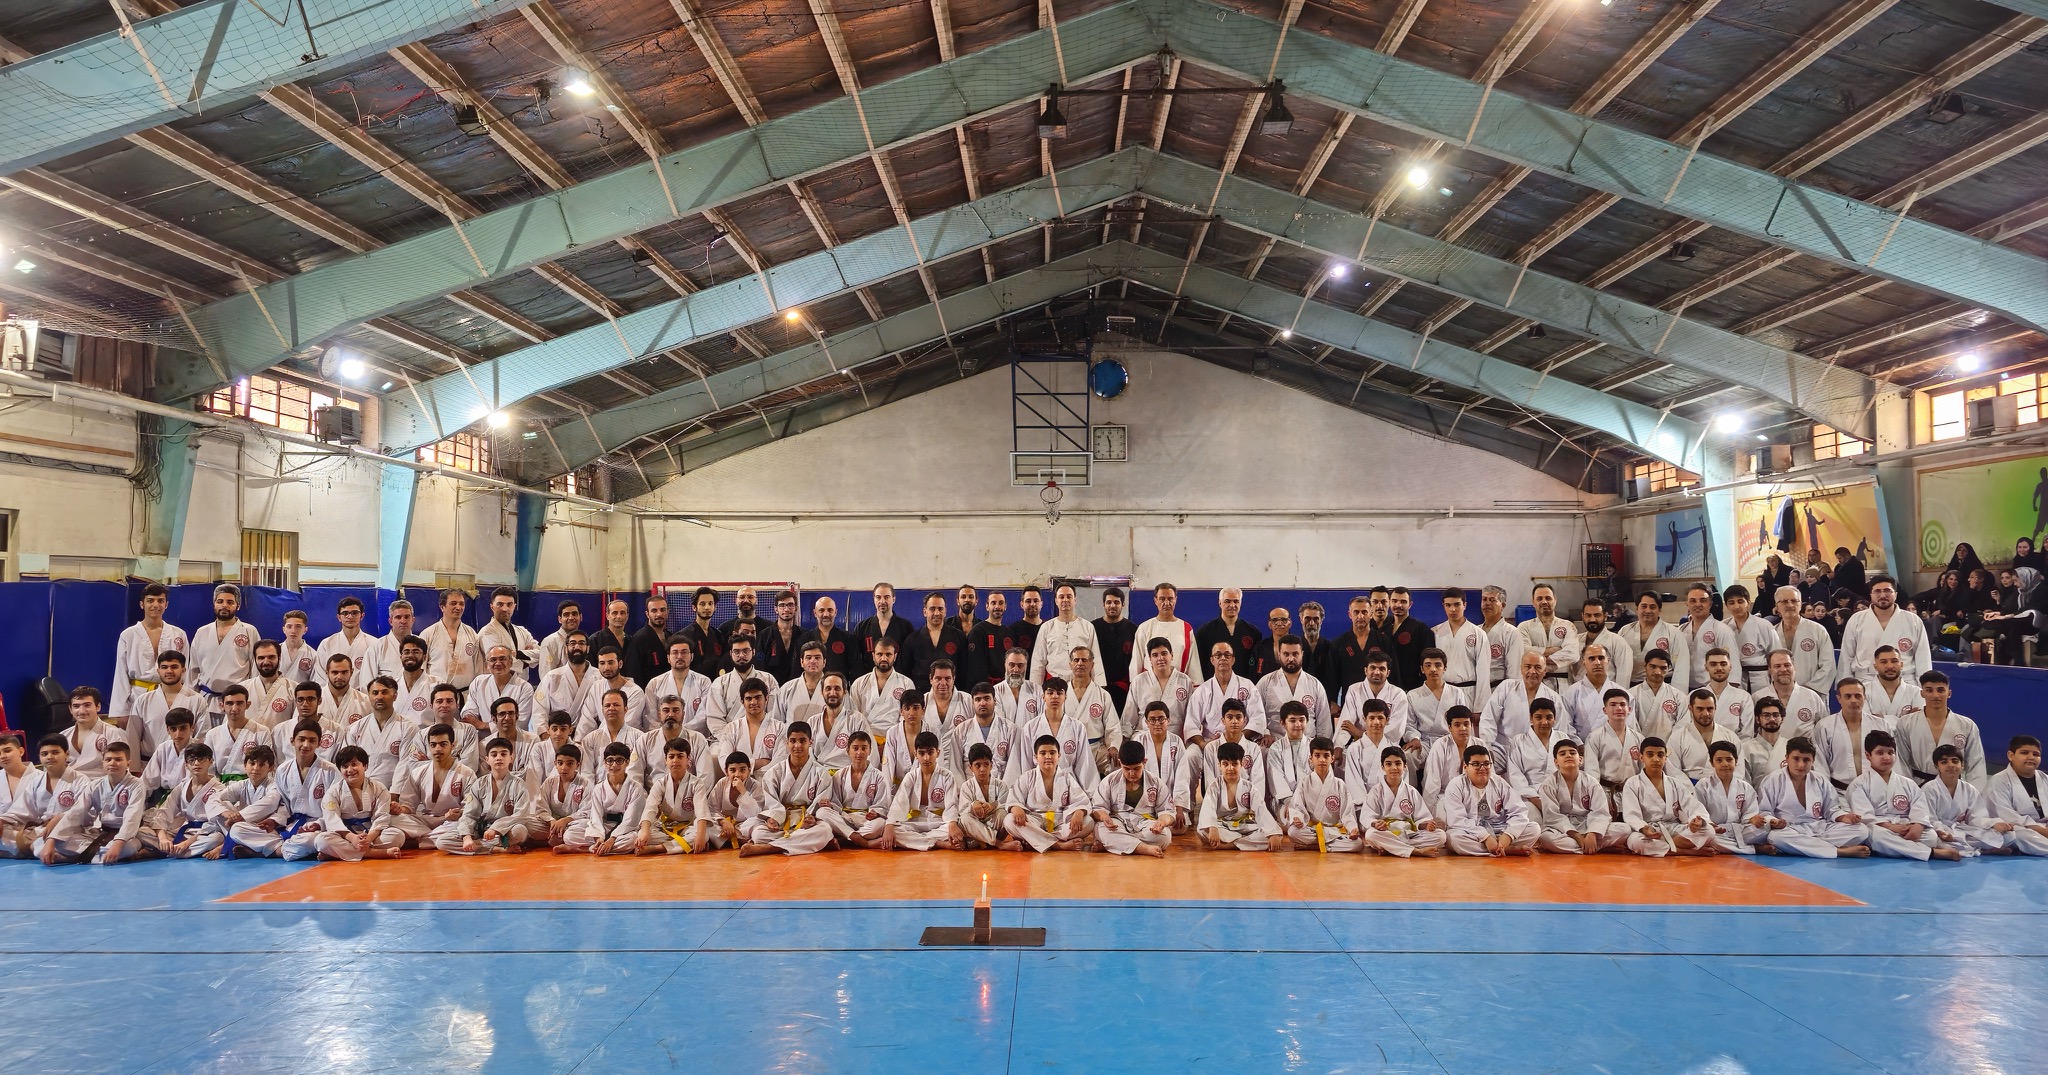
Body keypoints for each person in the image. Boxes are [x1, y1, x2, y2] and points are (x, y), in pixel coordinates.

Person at [1848, 730, 1963, 861]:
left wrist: (1918, 825)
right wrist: (1892, 827)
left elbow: (1920, 808)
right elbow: (1865, 817)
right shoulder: (1859, 784)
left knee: (1931, 836)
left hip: (1906, 827)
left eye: (1890, 752)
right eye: (1880, 753)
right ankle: (1933, 853)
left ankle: (1900, 849)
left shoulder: (1908, 783)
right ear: (1868, 755)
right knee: (1875, 836)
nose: (1886, 757)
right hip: (1882, 828)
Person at [1755, 737, 1871, 858]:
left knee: (1861, 830)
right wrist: (1774, 821)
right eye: (1796, 759)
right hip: (1790, 829)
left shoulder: (1820, 780)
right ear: (1787, 758)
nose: (1801, 765)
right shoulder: (1773, 780)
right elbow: (1764, 812)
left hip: (1819, 828)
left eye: (1806, 760)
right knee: (1776, 837)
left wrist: (1844, 817)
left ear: (1813, 761)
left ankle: (1808, 847)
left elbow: (1831, 810)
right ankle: (1838, 851)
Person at [41, 740, 146, 865]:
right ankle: (98, 856)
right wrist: (52, 839)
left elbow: (132, 818)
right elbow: (76, 812)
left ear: (128, 763)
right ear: (103, 763)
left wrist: (118, 843)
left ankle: (75, 858)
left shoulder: (136, 785)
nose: (112, 763)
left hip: (129, 836)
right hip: (104, 833)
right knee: (59, 843)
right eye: (108, 760)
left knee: (127, 848)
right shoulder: (95, 785)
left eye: (118, 759)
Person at [741, 722, 833, 856]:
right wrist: (773, 818)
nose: (797, 746)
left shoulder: (821, 773)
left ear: (810, 742)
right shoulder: (774, 772)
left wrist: (811, 817)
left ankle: (769, 848)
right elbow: (771, 802)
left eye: (802, 741)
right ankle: (803, 843)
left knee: (824, 830)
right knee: (758, 833)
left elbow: (820, 802)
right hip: (782, 820)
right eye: (793, 741)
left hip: (806, 820)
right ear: (787, 743)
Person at [1618, 738, 1716, 857]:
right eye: (1650, 755)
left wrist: (1697, 820)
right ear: (1641, 757)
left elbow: (1692, 805)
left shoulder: (1675, 783)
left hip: (1674, 828)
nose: (1656, 759)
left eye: (1660, 755)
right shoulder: (1632, 783)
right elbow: (1632, 814)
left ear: (1665, 758)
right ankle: (1685, 851)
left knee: (1709, 830)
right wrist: (1643, 828)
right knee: (1634, 841)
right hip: (1650, 830)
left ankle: (1665, 848)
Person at [110, 583, 187, 729]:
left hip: (172, 695)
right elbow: (121, 673)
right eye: (150, 600)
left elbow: (185, 672)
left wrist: (186, 700)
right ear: (142, 604)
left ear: (166, 604)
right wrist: (121, 711)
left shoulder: (178, 634)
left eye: (160, 600)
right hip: (137, 695)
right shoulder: (128, 635)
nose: (155, 605)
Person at [1439, 745, 1538, 856]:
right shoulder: (1455, 786)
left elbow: (1518, 811)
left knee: (1534, 829)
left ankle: (1499, 847)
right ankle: (1507, 849)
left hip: (1499, 828)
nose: (1482, 768)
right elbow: (1457, 820)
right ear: (1465, 767)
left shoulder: (1499, 782)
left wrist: (1508, 835)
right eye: (1476, 764)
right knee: (1454, 838)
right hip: (1472, 831)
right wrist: (1485, 837)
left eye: (1486, 764)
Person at [1538, 739, 1628, 854]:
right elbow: (1553, 817)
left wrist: (1592, 833)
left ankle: (1585, 845)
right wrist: (1577, 836)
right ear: (1556, 762)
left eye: (1572, 752)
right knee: (1546, 838)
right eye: (1562, 754)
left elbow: (1600, 813)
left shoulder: (1591, 783)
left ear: (1580, 759)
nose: (1568, 755)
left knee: (1624, 830)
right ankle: (1591, 847)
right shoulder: (1549, 784)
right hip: (1563, 830)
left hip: (1586, 824)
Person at [389, 724, 472, 850]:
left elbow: (470, 808)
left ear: (453, 745)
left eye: (443, 744)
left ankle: (417, 842)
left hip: (451, 822)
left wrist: (458, 813)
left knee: (464, 824)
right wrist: (399, 809)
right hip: (425, 821)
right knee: (392, 819)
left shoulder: (466, 773)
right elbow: (408, 806)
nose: (437, 749)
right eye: (433, 745)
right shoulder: (418, 773)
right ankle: (432, 839)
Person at [1896, 670, 1985, 787]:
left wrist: (1973, 794)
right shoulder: (1905, 723)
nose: (1935, 695)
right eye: (1929, 690)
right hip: (1918, 786)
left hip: (1955, 787)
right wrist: (1908, 790)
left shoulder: (1967, 725)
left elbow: (1976, 764)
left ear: (1949, 693)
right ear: (1922, 693)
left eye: (1941, 690)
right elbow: (1902, 763)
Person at [314, 745, 403, 861]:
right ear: (340, 770)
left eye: (354, 764)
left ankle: (338, 853)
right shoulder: (333, 792)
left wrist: (368, 839)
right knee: (321, 840)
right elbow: (332, 821)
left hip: (370, 833)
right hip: (345, 835)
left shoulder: (379, 788)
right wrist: (353, 838)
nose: (350, 770)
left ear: (365, 766)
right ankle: (375, 853)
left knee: (397, 836)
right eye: (345, 766)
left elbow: (381, 818)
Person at [143, 741, 226, 860]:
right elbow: (164, 812)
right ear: (186, 765)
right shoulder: (182, 787)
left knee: (216, 838)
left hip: (204, 834)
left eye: (202, 759)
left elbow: (215, 824)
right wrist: (163, 839)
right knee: (142, 832)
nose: (196, 763)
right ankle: (173, 848)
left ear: (211, 761)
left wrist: (187, 843)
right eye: (192, 760)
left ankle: (170, 850)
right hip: (184, 831)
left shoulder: (218, 789)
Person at [558, 742, 645, 855]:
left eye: (619, 760)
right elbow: (596, 817)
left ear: (627, 762)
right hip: (605, 825)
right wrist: (598, 838)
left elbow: (631, 820)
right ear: (604, 763)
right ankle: (601, 847)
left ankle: (584, 849)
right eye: (610, 760)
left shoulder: (635, 788)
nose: (614, 765)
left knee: (632, 840)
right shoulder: (599, 788)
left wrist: (612, 839)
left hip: (625, 830)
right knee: (570, 835)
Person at [1356, 748, 1446, 857]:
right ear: (1383, 767)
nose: (1394, 768)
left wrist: (1426, 825)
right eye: (1388, 764)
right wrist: (1376, 823)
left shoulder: (1411, 791)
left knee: (1441, 836)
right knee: (1371, 835)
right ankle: (1416, 851)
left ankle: (1391, 848)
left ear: (1405, 766)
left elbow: (1421, 818)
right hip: (1386, 833)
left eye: (1398, 763)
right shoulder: (1376, 791)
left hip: (1409, 834)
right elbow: (1367, 817)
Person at [0, 736, 79, 859]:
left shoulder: (79, 780)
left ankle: (34, 849)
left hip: (65, 830)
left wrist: (60, 818)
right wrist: (2, 820)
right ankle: (34, 848)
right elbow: (21, 809)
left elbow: (85, 811)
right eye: (44, 754)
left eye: (55, 752)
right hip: (29, 832)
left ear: (67, 754)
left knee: (43, 843)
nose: (49, 757)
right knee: (34, 841)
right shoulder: (38, 781)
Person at [1090, 740, 1174, 857]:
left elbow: (1167, 810)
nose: (1132, 773)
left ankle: (1113, 844)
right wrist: (1105, 818)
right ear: (1120, 763)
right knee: (1101, 829)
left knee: (1165, 836)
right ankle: (1144, 848)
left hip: (1145, 823)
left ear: (1144, 762)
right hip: (1117, 822)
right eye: (1127, 769)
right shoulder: (1109, 780)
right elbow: (1098, 808)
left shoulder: (1155, 782)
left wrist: (1161, 822)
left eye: (1136, 768)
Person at [190, 584, 261, 720]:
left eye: (230, 602)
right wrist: (193, 698)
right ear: (214, 604)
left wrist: (250, 697)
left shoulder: (249, 631)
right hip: (206, 700)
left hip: (237, 702)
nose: (224, 606)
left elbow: (255, 668)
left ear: (238, 606)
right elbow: (193, 670)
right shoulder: (202, 632)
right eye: (220, 601)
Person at [1196, 742, 1279, 851]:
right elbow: (1208, 809)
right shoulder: (1214, 787)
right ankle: (1244, 843)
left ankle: (1229, 845)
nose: (1230, 768)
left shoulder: (1249, 787)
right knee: (1202, 831)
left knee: (1274, 834)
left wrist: (1272, 833)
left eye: (1234, 764)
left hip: (1245, 826)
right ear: (1219, 765)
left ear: (1242, 764)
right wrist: (1213, 827)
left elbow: (1261, 810)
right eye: (1225, 764)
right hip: (1222, 826)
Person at [634, 739, 708, 855]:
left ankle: (656, 848)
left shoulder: (697, 784)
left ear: (688, 759)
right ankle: (681, 845)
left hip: (687, 828)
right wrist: (644, 831)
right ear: (666, 760)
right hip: (665, 828)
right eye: (671, 756)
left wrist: (700, 836)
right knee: (642, 833)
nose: (675, 760)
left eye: (680, 756)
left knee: (702, 835)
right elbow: (650, 808)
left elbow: (701, 811)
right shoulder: (660, 784)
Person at [1696, 740, 1770, 855]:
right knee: (1707, 836)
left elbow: (1749, 813)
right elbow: (1699, 813)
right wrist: (1710, 825)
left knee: (1767, 828)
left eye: (1729, 759)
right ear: (1712, 763)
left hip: (1741, 829)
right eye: (1719, 760)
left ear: (1736, 761)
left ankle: (1728, 847)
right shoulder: (1703, 785)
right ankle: (1755, 849)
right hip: (1716, 831)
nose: (1725, 764)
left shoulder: (1745, 787)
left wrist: (1752, 819)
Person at [885, 731, 954, 851]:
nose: (926, 758)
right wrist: (889, 825)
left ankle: (918, 841)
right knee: (894, 831)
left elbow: (952, 805)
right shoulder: (911, 777)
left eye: (930, 752)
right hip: (914, 822)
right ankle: (938, 843)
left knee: (955, 827)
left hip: (939, 822)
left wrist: (952, 824)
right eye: (921, 753)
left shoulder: (947, 776)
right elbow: (899, 803)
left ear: (938, 753)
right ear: (915, 754)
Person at [821, 731, 890, 848]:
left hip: (865, 820)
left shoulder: (879, 777)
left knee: (880, 824)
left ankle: (844, 839)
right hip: (844, 818)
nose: (859, 752)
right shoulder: (839, 775)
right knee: (822, 813)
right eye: (855, 748)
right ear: (848, 751)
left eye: (864, 748)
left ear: (870, 750)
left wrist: (876, 813)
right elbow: (836, 803)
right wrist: (830, 805)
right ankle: (862, 841)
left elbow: (882, 806)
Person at [1257, 634, 1330, 741]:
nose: (1291, 659)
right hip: (1274, 743)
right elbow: (1256, 715)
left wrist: (1322, 745)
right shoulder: (1265, 682)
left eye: (1295, 654)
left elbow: (1324, 722)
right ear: (1279, 655)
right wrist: (1265, 733)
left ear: (1302, 654)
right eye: (1286, 654)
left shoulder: (1315, 684)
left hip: (1308, 744)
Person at [1984, 735, 2048, 855]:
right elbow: (2007, 817)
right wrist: (2042, 831)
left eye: (2036, 754)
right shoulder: (1998, 781)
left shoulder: (2045, 779)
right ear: (2011, 755)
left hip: (2044, 827)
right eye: (2024, 753)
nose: (2031, 757)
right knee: (2017, 834)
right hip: (2021, 829)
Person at [133, 652, 202, 761]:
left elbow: (201, 737)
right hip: (147, 763)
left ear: (183, 670)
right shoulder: (143, 700)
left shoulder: (197, 700)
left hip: (185, 762)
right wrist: (135, 767)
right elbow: (134, 737)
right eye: (164, 667)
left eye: (174, 667)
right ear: (158, 671)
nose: (169, 671)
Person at [1029, 583, 1102, 686]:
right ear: (1056, 601)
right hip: (1053, 684)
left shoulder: (1087, 627)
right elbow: (1038, 661)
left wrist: (1098, 686)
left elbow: (1095, 658)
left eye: (1069, 596)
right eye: (1061, 597)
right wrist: (1036, 688)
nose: (1065, 600)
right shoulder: (1046, 627)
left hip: (1081, 684)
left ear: (1075, 600)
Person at [1432, 587, 1494, 707]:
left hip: (1469, 691)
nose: (1453, 609)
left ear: (1464, 605)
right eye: (1448, 605)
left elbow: (1483, 671)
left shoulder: (1478, 633)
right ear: (1444, 606)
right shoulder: (1435, 632)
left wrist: (1480, 706)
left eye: (1457, 604)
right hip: (1443, 691)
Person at [1124, 637, 1194, 741]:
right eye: (1155, 655)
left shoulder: (1184, 681)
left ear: (1172, 655)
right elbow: (1129, 717)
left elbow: (1191, 716)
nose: (1160, 658)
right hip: (1144, 736)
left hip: (1174, 737)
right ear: (1150, 658)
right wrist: (1124, 739)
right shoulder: (1139, 681)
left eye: (1164, 653)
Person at [848, 637, 913, 746]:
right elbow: (854, 715)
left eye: (888, 654)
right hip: (865, 740)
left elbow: (907, 716)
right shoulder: (859, 683)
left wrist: (894, 741)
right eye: (880, 654)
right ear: (873, 656)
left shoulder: (906, 683)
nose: (884, 658)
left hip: (895, 740)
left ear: (895, 656)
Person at [1667, 689, 1739, 783]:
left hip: (1724, 786)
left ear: (1715, 708)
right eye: (1700, 709)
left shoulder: (1730, 736)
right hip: (1688, 787)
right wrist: (1691, 790)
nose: (1705, 714)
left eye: (1710, 709)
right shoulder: (1677, 737)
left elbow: (1739, 770)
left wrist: (1723, 788)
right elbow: (1673, 771)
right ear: (1690, 708)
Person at [1129, 582, 1196, 683]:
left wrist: (1195, 687)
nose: (1166, 603)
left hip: (1178, 685)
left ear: (1176, 600)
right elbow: (1136, 661)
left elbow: (1193, 664)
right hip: (1149, 685)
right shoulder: (1144, 628)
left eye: (1170, 599)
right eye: (1162, 599)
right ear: (1155, 600)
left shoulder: (1186, 628)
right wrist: (1135, 686)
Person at [947, 742, 1009, 851]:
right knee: (965, 819)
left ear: (991, 765)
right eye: (977, 765)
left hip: (991, 824)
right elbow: (962, 812)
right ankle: (997, 843)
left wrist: (993, 806)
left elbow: (1006, 806)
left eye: (986, 764)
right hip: (975, 825)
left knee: (1003, 815)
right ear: (970, 767)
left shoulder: (1001, 785)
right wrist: (973, 805)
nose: (982, 769)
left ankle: (981, 841)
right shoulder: (966, 786)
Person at [1560, 644, 1625, 746]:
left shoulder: (1622, 694)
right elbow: (1565, 725)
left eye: (1601, 658)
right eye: (1591, 659)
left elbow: (1629, 726)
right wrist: (1578, 744)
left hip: (1614, 748)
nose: (1597, 663)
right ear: (1583, 662)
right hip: (1581, 748)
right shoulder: (1571, 693)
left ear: (1608, 661)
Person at [465, 645, 538, 733]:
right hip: (482, 738)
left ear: (511, 662)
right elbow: (469, 711)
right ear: (487, 664)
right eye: (493, 660)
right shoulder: (478, 682)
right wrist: (471, 718)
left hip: (513, 739)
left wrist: (483, 725)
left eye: (502, 659)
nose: (498, 663)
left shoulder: (524, 687)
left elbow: (520, 723)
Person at [905, 592, 970, 690]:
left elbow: (964, 671)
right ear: (925, 612)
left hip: (951, 693)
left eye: (940, 609)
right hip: (921, 693)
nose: (937, 613)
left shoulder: (959, 637)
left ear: (945, 611)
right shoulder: (912, 639)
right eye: (932, 609)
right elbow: (905, 672)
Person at [1195, 588, 1262, 680]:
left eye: (1236, 601)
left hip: (1244, 685)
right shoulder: (1204, 632)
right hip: (1213, 684)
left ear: (1240, 603)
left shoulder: (1253, 632)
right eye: (1227, 601)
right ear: (1220, 603)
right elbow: (1199, 664)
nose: (1232, 605)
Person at [419, 589, 482, 687]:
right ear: (442, 607)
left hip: (465, 693)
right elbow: (421, 668)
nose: (458, 607)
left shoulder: (472, 634)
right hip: (436, 692)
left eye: (462, 604)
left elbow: (479, 667)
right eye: (453, 603)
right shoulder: (428, 634)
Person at [852, 583, 916, 679]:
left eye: (886, 597)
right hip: (869, 680)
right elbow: (856, 659)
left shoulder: (905, 626)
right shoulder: (862, 627)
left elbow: (910, 658)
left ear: (893, 599)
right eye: (878, 597)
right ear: (874, 599)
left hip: (898, 679)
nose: (882, 601)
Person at [315, 596, 378, 691]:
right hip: (333, 696)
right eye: (345, 613)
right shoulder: (326, 644)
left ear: (362, 616)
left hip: (363, 696)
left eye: (354, 613)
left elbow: (376, 677)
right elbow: (321, 677)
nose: (350, 616)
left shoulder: (373, 643)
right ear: (339, 617)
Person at [477, 587, 541, 680]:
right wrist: (528, 659)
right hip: (497, 684)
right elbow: (499, 662)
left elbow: (540, 653)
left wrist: (518, 654)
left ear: (514, 606)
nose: (505, 609)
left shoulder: (522, 631)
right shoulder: (487, 632)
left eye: (509, 604)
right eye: (500, 604)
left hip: (523, 683)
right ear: (492, 606)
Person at [1574, 599, 1634, 687]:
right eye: (1588, 615)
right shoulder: (1576, 640)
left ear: (1605, 616)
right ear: (1582, 616)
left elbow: (1624, 674)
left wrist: (1619, 694)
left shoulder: (1617, 641)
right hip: (1580, 691)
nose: (1592, 619)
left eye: (1597, 615)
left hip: (1607, 692)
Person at [1381, 588, 1433, 689]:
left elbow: (1428, 660)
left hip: (1412, 685)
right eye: (1394, 601)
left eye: (1403, 602)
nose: (1398, 605)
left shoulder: (1420, 628)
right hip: (1387, 683)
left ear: (1410, 604)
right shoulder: (1384, 628)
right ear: (1389, 603)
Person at [1629, 649, 1684, 741]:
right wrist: (1640, 743)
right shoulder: (1631, 694)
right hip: (1640, 744)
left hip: (1669, 746)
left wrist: (1671, 744)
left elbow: (1683, 724)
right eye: (1653, 666)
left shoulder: (1678, 696)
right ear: (1645, 667)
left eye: (1663, 668)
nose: (1657, 672)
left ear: (1668, 669)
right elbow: (1629, 724)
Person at [799, 595, 857, 678]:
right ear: (815, 613)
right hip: (812, 685)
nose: (826, 614)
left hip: (838, 685)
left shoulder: (848, 638)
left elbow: (856, 669)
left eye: (830, 610)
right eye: (821, 610)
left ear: (835, 612)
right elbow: (797, 670)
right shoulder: (804, 639)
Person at [623, 593, 674, 686]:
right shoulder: (639, 639)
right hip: (648, 690)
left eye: (662, 610)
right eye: (654, 611)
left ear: (668, 612)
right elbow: (634, 672)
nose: (659, 614)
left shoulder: (671, 637)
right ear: (647, 614)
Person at [536, 599, 584, 679]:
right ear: (560, 619)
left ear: (581, 617)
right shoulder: (550, 642)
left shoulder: (583, 641)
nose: (571, 617)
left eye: (574, 614)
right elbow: (546, 677)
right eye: (566, 615)